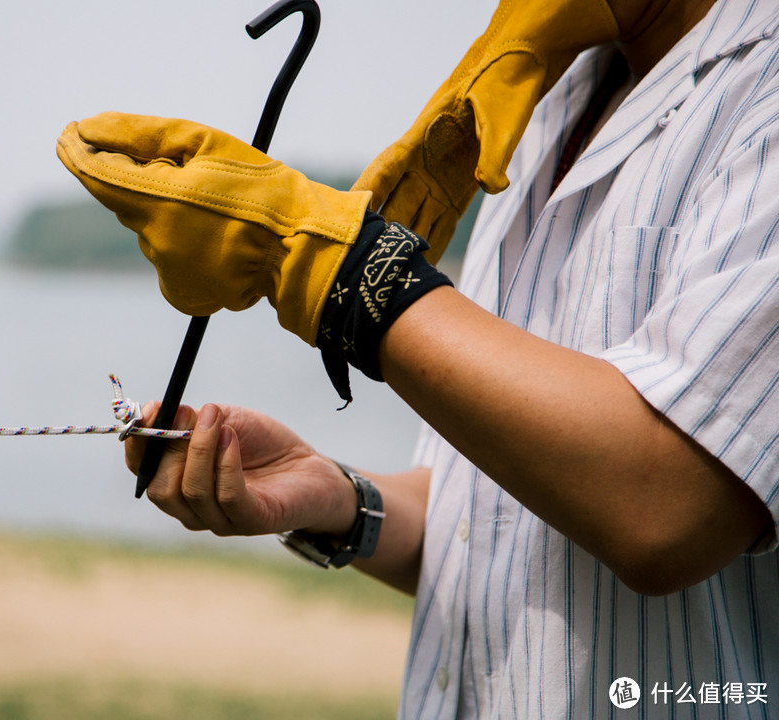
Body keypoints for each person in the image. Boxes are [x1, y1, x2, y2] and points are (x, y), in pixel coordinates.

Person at [57, 0, 779, 716]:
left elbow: (666, 507)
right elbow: (492, 518)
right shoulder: (546, 102)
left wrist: (328, 264)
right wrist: (339, 499)